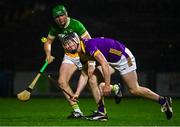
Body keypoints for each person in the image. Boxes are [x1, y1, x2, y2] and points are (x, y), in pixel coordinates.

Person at [61, 32, 173, 120]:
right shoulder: (81, 54)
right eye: (66, 44)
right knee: (92, 79)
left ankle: (163, 101)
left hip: (123, 58)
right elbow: (85, 74)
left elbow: (104, 64)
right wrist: (76, 94)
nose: (69, 46)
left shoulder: (89, 46)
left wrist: (107, 85)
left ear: (76, 40)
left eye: (70, 42)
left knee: (134, 90)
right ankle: (101, 112)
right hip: (111, 60)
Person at [43, 4, 122, 120]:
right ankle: (77, 110)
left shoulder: (76, 24)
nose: (60, 19)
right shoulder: (54, 27)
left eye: (62, 15)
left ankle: (108, 98)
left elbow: (89, 41)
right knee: (61, 82)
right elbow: (48, 42)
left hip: (83, 54)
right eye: (57, 17)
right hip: (69, 56)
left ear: (66, 14)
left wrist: (91, 63)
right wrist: (48, 55)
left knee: (92, 82)